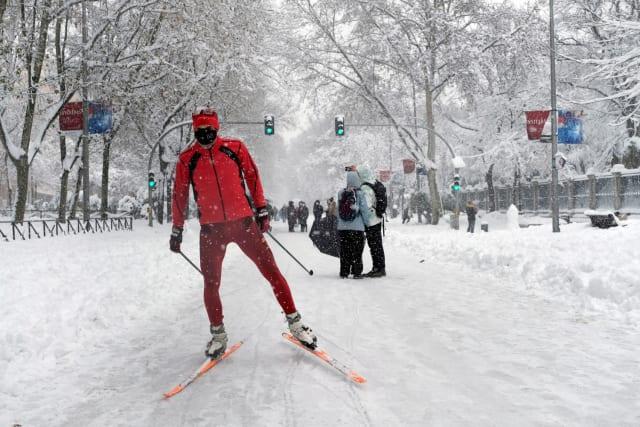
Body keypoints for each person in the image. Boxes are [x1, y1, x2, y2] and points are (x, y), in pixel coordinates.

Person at [170, 107, 317, 358]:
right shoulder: (187, 158)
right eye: (200, 131)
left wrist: (261, 209)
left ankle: (295, 323)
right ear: (195, 130)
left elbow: (252, 176)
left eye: (210, 130)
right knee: (211, 283)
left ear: (217, 129)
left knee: (272, 272)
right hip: (211, 230)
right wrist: (177, 228)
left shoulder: (234, 148)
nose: (205, 135)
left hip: (244, 224)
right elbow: (179, 193)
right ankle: (218, 335)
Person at [336, 170, 368, 279]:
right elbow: (364, 210)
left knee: (344, 250)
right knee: (357, 251)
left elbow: (338, 210)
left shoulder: (341, 193)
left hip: (343, 229)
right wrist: (367, 224)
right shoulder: (360, 193)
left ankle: (344, 272)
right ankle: (356, 272)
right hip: (357, 228)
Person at [357, 166, 386, 277]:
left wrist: (362, 219)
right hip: (377, 219)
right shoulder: (374, 182)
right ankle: (380, 267)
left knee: (374, 245)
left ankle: (378, 269)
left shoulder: (365, 187)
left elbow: (366, 206)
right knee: (377, 245)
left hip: (371, 221)